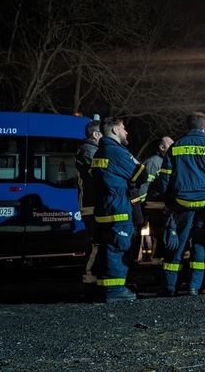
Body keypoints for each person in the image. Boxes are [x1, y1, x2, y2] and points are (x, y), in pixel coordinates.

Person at [158, 112, 205, 297]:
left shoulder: (175, 148)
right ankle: (194, 287)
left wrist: (168, 202)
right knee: (201, 244)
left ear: (187, 127)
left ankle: (170, 288)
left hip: (182, 204)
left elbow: (164, 178)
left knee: (176, 246)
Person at [91, 117, 149, 303]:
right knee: (119, 248)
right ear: (115, 131)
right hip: (119, 209)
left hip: (105, 209)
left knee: (107, 249)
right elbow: (142, 173)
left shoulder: (100, 152)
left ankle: (104, 287)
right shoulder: (117, 152)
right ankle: (115, 291)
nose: (126, 133)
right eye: (123, 129)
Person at [76, 119, 102, 299]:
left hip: (95, 204)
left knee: (98, 243)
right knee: (95, 243)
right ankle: (90, 281)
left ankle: (95, 279)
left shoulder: (89, 150)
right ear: (95, 135)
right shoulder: (88, 151)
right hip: (91, 205)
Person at [138, 136, 174, 263]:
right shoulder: (154, 163)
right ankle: (156, 266)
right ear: (162, 147)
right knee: (159, 235)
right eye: (170, 144)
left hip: (164, 206)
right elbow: (143, 186)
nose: (173, 147)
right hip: (155, 206)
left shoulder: (168, 162)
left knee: (165, 236)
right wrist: (140, 205)